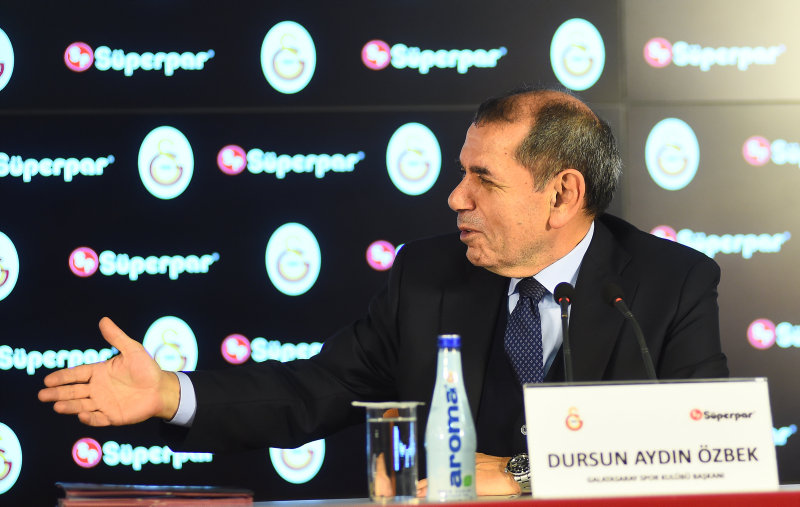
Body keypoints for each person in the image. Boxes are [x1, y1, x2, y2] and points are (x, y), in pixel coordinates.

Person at [39, 87, 728, 496]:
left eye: (484, 180)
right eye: (461, 172)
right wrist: (170, 393)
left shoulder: (670, 283)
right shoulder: (427, 274)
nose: (455, 197)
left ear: (562, 195)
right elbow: (315, 388)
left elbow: (701, 442)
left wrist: (522, 474)